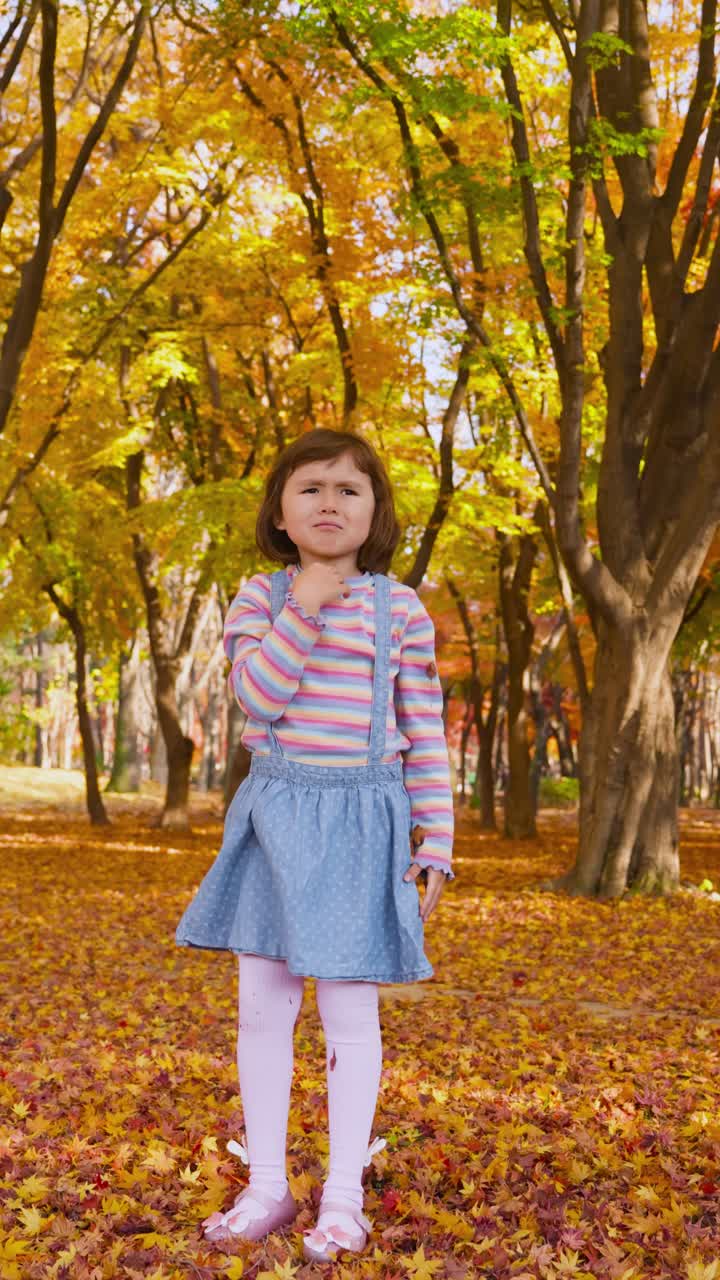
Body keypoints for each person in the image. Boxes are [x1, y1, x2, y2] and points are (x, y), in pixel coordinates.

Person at [175, 428, 454, 1262]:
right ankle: (267, 1184)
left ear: (376, 512)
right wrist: (305, 605)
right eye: (311, 489)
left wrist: (434, 839)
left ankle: (343, 1197)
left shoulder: (399, 609)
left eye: (349, 489)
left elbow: (425, 732)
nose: (330, 502)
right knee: (263, 1008)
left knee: (348, 1014)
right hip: (277, 816)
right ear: (281, 514)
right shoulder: (260, 599)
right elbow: (257, 696)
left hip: (364, 825)